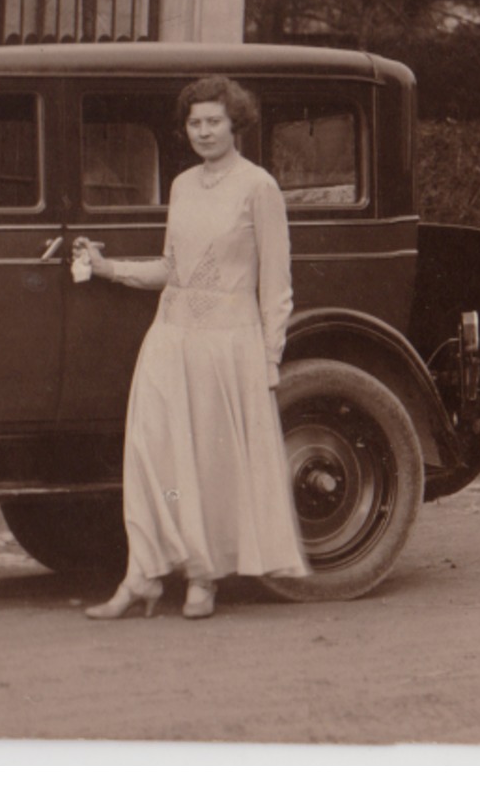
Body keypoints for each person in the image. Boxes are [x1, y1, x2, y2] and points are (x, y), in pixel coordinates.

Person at [75, 75, 308, 620]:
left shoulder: (259, 187)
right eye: (194, 123)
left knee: (206, 463)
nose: (203, 132)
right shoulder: (180, 185)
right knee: (152, 456)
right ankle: (143, 575)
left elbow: (277, 285)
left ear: (235, 125)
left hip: (228, 345)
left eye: (213, 122)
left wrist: (270, 358)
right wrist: (110, 269)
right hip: (170, 338)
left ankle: (202, 578)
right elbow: (172, 269)